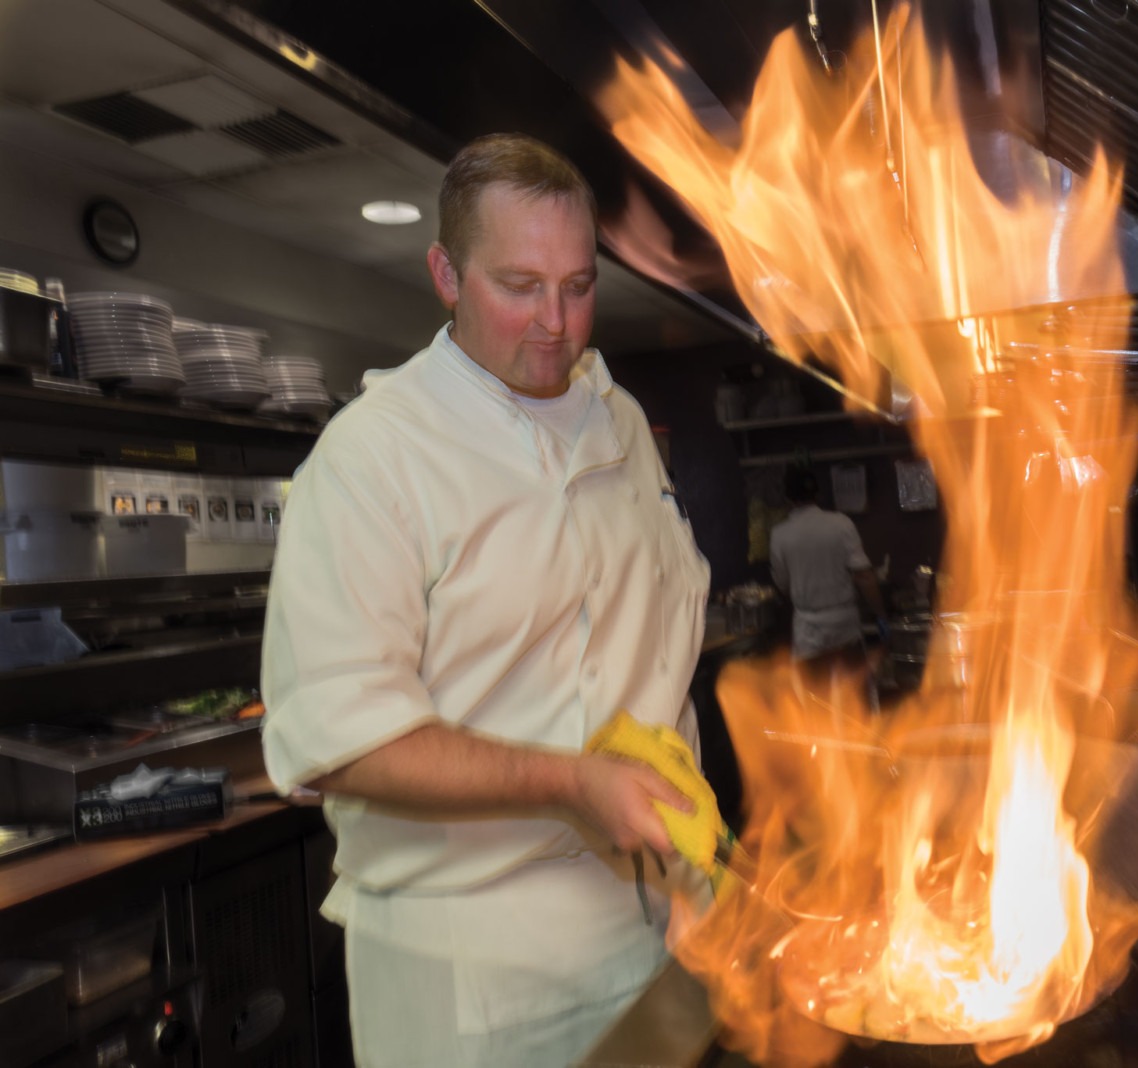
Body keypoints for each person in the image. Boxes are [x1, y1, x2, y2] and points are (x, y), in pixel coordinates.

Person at [260, 133, 711, 1067]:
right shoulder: (373, 456)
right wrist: (568, 783)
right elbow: (344, 738)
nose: (556, 322)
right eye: (519, 285)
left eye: (579, 286)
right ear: (446, 275)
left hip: (644, 922)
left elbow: (654, 655)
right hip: (467, 961)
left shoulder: (619, 420)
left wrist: (691, 873)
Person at [767, 465, 888, 664]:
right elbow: (864, 576)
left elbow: (782, 585)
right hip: (844, 625)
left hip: (808, 629)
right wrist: (881, 615)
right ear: (818, 494)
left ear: (787, 499)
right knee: (851, 690)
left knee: (813, 692)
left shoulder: (779, 535)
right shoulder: (841, 524)